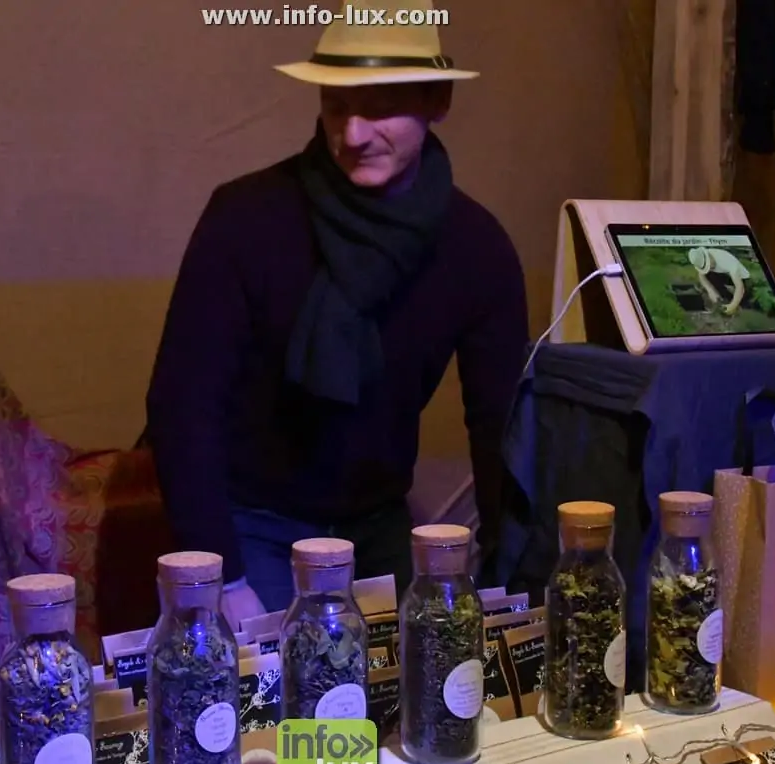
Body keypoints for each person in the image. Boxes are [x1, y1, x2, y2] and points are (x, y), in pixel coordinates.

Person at [146, 0, 529, 625]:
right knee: (273, 690)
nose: (352, 135)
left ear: (437, 101)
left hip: (376, 521)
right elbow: (182, 404)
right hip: (252, 524)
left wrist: (507, 577)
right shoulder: (246, 218)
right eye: (335, 106)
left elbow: (501, 427)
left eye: (379, 107)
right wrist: (224, 577)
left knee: (404, 680)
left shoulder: (476, 247)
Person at [688, 246, 751, 315]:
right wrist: (710, 291)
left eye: (708, 265)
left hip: (741, 278)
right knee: (708, 276)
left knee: (743, 300)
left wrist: (733, 305)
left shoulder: (728, 261)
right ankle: (722, 300)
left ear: (709, 256)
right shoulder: (700, 257)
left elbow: (740, 287)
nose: (709, 268)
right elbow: (701, 275)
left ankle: (737, 305)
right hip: (722, 274)